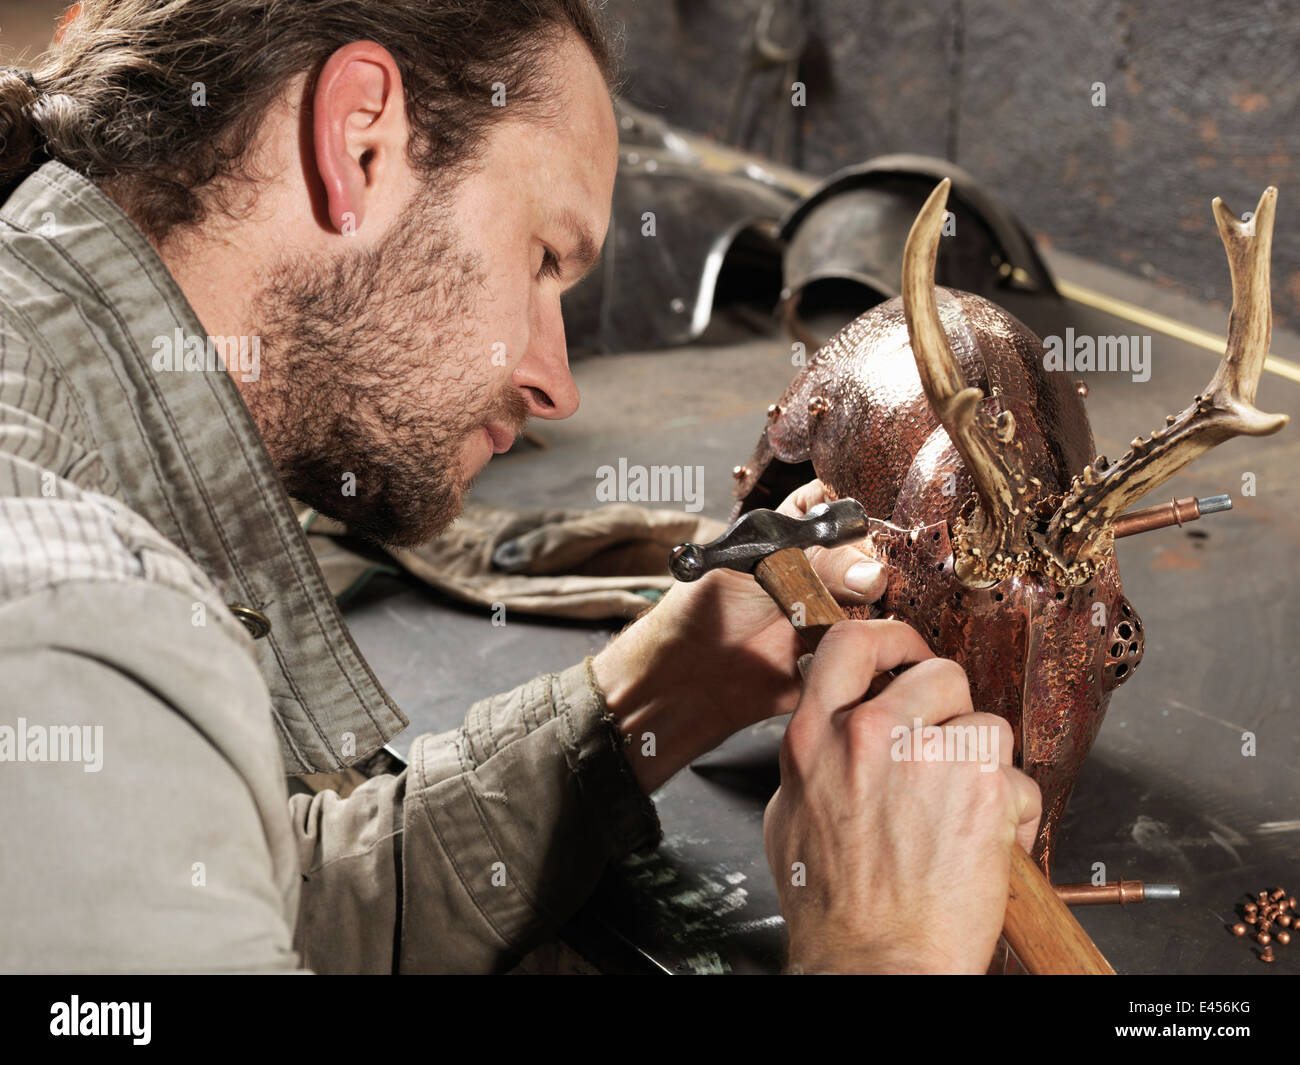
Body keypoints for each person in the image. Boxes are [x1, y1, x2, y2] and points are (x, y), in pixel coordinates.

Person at [0, 0, 1039, 974]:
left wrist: (653, 693)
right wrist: (881, 945)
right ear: (357, 140)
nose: (555, 382)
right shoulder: (71, 634)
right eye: (544, 257)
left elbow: (271, 894)